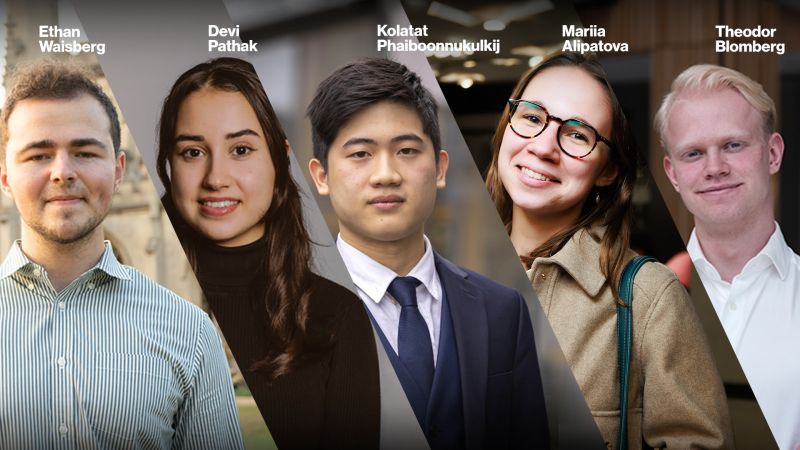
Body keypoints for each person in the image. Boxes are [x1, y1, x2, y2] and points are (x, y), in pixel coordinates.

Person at [484, 51, 733, 449]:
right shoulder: (438, 275)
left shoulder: (647, 296)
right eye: (532, 117)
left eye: (577, 135)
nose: (544, 146)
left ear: (607, 171)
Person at [306, 57, 549, 450]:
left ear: (439, 168)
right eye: (360, 154)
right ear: (321, 176)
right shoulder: (283, 316)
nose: (386, 174)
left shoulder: (503, 310)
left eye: (406, 150)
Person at [0, 61, 243, 449]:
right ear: (6, 177)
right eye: (38, 156)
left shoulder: (190, 334)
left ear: (118, 170)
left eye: (84, 152)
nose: (62, 172)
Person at [156, 57, 380, 449]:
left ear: (280, 157)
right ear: (168, 164)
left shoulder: (338, 316)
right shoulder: (137, 303)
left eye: (240, 149)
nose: (216, 179)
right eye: (192, 152)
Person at [656, 64, 800, 449]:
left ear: (772, 153)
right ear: (673, 174)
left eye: (733, 145)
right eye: (693, 153)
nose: (714, 168)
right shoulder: (635, 305)